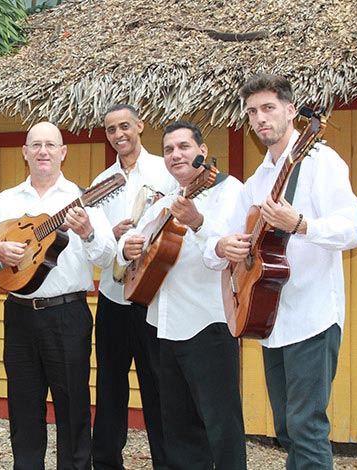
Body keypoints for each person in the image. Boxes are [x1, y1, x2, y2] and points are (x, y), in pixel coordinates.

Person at [212, 73, 357, 469]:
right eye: (252, 112)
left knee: (306, 425)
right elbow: (229, 238)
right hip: (270, 317)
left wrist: (301, 224)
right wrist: (224, 246)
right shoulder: (258, 180)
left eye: (268, 108)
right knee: (287, 427)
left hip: (313, 318)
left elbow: (354, 227)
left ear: (291, 110)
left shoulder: (320, 161)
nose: (260, 118)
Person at [0, 122, 116, 470]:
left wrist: (89, 232)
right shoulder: (6, 201)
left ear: (63, 152)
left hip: (67, 315)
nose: (43, 151)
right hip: (19, 314)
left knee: (73, 405)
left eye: (51, 145)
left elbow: (108, 257)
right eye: (35, 145)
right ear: (25, 152)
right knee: (23, 405)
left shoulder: (81, 199)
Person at [120, 121, 247, 469]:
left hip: (209, 323)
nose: (176, 155)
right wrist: (127, 247)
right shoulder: (169, 199)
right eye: (169, 150)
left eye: (184, 147)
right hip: (164, 325)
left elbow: (226, 250)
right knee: (176, 426)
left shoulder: (230, 190)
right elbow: (132, 243)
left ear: (202, 152)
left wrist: (198, 222)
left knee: (220, 423)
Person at [90, 104, 176, 470]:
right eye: (111, 129)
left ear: (140, 125)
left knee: (158, 386)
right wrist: (110, 237)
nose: (119, 134)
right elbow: (93, 247)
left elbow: (176, 225)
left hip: (152, 296)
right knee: (110, 385)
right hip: (112, 298)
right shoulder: (101, 182)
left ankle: (167, 463)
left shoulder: (165, 171)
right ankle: (107, 462)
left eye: (125, 126)